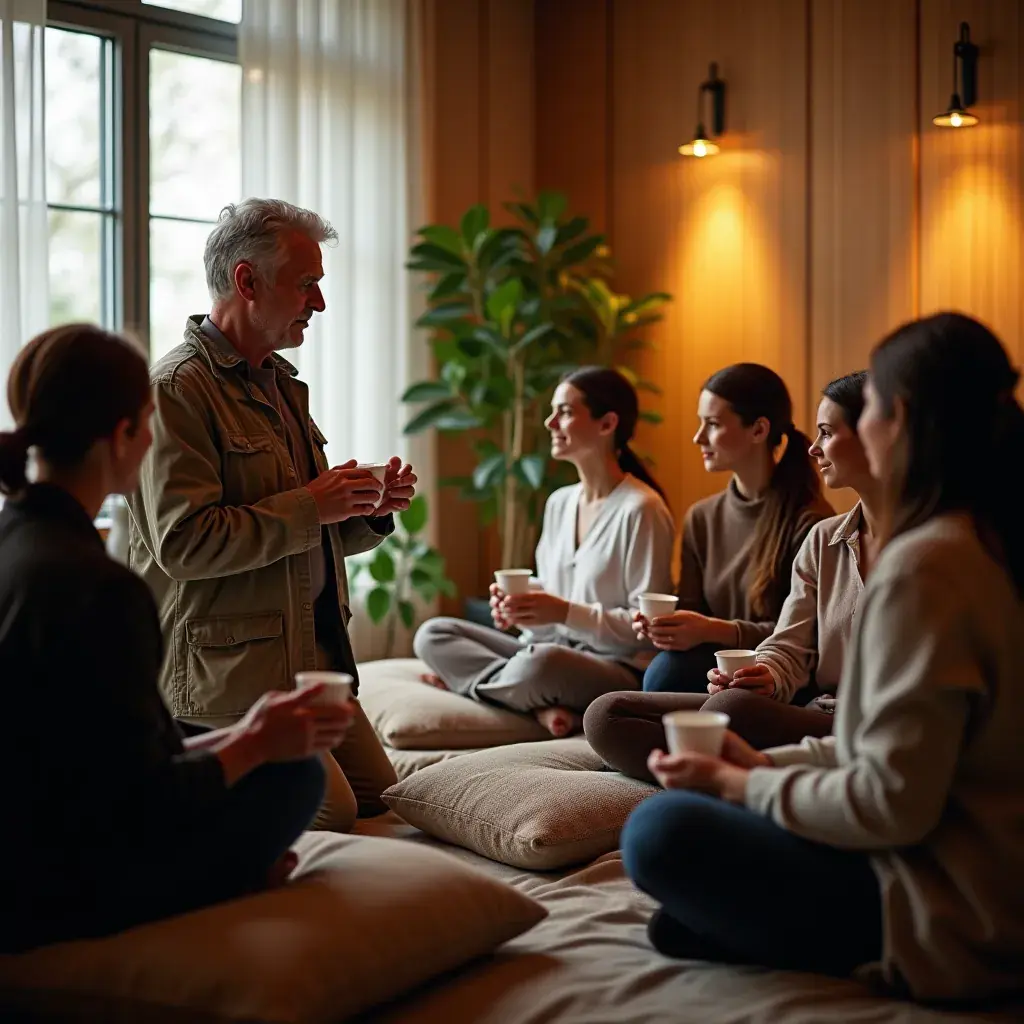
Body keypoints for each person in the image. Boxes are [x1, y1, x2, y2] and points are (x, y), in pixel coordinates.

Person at [620, 313, 1024, 1002]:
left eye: (857, 419)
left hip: (953, 913)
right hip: (972, 867)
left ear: (896, 422)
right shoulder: (986, 536)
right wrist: (760, 766)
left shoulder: (926, 565)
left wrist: (741, 788)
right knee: (679, 878)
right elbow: (899, 753)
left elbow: (890, 804)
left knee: (658, 828)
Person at [0, 324, 354, 954]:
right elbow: (139, 804)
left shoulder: (17, 542)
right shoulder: (99, 589)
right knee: (294, 777)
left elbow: (96, 756)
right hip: (56, 885)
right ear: (123, 437)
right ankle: (225, 884)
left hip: (34, 818)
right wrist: (252, 739)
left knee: (247, 750)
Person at [127, 198, 415, 833]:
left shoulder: (281, 384)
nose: (318, 304)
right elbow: (185, 544)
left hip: (306, 659)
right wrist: (314, 503)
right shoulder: (176, 390)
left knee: (384, 799)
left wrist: (367, 510)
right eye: (307, 284)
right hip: (226, 675)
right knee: (334, 811)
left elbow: (304, 534)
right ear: (246, 280)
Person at [586, 371, 881, 778]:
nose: (814, 448)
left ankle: (717, 771)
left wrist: (720, 637)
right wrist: (766, 674)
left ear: (877, 436)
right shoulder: (824, 539)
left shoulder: (926, 548)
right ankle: (716, 769)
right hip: (807, 709)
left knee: (727, 707)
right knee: (607, 714)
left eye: (827, 433)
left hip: (862, 722)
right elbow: (790, 645)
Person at [413, 367, 676, 738]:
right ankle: (536, 704)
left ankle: (486, 688)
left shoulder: (641, 509)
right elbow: (555, 594)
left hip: (612, 666)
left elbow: (646, 631)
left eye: (565, 412)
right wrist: (522, 606)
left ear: (607, 423)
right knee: (433, 633)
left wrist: (564, 612)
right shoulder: (559, 503)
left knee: (541, 665)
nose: (551, 422)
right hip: (545, 649)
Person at [636, 363, 833, 694]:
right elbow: (692, 612)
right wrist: (669, 627)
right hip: (713, 669)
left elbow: (803, 637)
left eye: (712, 424)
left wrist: (713, 629)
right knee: (662, 673)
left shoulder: (810, 522)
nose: (698, 437)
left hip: (773, 678)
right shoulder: (702, 517)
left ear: (758, 430)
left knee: (666, 676)